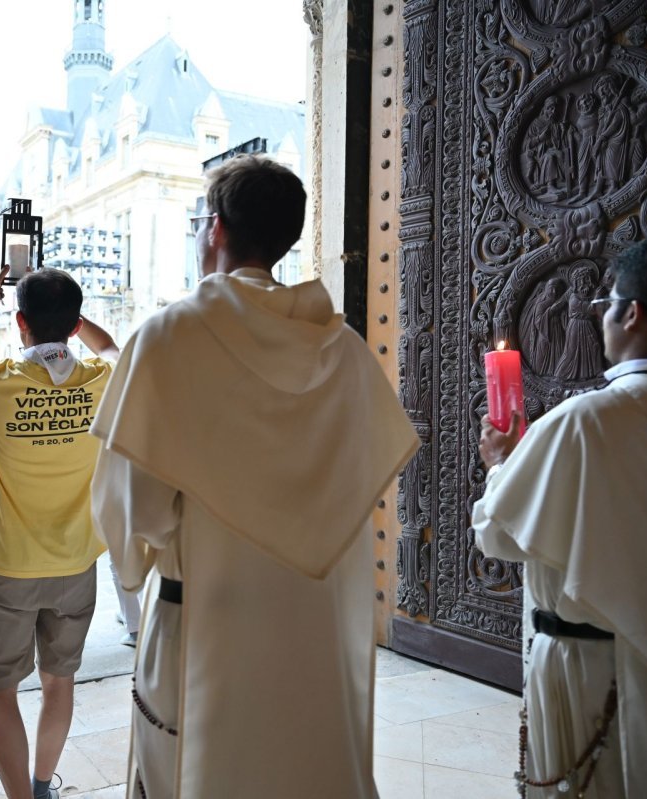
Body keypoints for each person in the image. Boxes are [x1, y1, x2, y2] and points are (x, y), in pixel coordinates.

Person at [89, 154, 418, 798]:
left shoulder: (165, 337)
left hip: (206, 616)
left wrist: (138, 560)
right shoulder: (344, 350)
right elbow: (360, 482)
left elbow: (135, 509)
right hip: (315, 620)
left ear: (214, 228)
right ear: (287, 238)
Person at [473, 232, 647, 799]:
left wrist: (503, 463)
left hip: (592, 670)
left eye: (605, 304)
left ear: (631, 314)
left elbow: (499, 534)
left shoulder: (585, 420)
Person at [0, 266, 119, 799]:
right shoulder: (102, 380)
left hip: (6, 564)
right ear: (76, 321)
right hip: (75, 562)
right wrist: (77, 325)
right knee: (59, 684)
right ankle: (42, 787)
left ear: (19, 321)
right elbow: (111, 347)